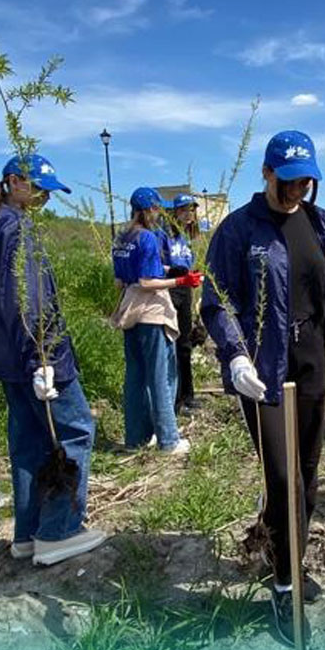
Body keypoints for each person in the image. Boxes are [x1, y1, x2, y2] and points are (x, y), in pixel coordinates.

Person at [201, 130, 325, 646]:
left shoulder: (320, 226)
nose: (298, 190)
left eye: (307, 181)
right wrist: (233, 355)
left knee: (310, 478)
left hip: (313, 360)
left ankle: (287, 555)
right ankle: (283, 584)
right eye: (290, 180)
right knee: (283, 480)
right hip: (264, 369)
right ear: (267, 173)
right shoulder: (238, 230)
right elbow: (217, 300)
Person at [0, 153, 104, 567]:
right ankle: (58, 531)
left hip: (9, 356)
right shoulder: (16, 228)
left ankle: (26, 534)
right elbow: (28, 298)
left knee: (28, 442)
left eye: (47, 192)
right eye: (37, 188)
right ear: (12, 182)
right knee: (74, 432)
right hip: (38, 354)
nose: (43, 198)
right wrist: (42, 356)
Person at [111, 187, 201, 454]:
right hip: (151, 310)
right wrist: (181, 280)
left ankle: (136, 438)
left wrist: (169, 269)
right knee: (162, 376)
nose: (159, 213)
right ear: (149, 209)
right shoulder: (149, 238)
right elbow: (147, 281)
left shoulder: (123, 237)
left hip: (130, 309)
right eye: (157, 209)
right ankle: (168, 440)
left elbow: (121, 280)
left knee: (136, 376)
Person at [166, 193, 201, 415]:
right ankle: (176, 398)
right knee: (174, 344)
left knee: (186, 344)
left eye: (191, 210)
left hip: (186, 290)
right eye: (184, 210)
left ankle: (188, 395)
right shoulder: (165, 236)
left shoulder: (188, 238)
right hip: (171, 289)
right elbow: (158, 265)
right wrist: (177, 273)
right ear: (175, 212)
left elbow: (190, 264)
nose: (189, 214)